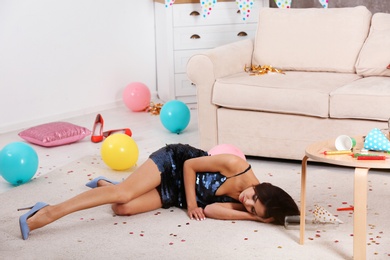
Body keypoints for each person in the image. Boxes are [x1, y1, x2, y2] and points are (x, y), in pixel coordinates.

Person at [18, 143, 300, 240]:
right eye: (253, 199)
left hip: (175, 195)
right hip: (173, 164)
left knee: (122, 207)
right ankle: (47, 212)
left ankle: (109, 186)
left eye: (252, 208)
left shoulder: (250, 206)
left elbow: (212, 210)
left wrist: (254, 217)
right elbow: (190, 165)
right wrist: (191, 203)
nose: (246, 201)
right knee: (124, 195)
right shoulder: (236, 166)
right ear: (265, 189)